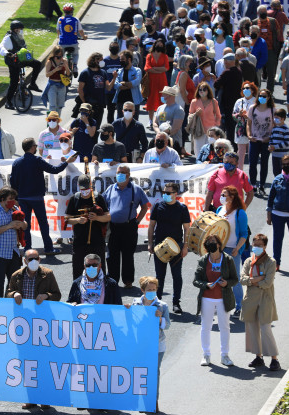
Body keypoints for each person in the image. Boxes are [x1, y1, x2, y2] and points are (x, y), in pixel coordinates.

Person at [6, 249, 61, 410]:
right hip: (23, 325)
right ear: (24, 261)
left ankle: (44, 398)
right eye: (30, 258)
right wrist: (14, 293)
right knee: (27, 362)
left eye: (36, 258)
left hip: (42, 326)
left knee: (43, 362)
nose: (33, 261)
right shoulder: (17, 275)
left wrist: (46, 296)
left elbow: (57, 295)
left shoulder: (48, 274)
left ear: (40, 259)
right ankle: (31, 398)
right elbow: (7, 293)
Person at [11, 138, 77, 255]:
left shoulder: (16, 162)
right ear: (32, 147)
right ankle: (48, 248)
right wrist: (67, 161)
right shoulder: (37, 160)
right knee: (43, 224)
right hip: (36, 198)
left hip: (22, 199)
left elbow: (13, 182)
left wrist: (16, 198)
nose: (36, 148)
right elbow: (55, 170)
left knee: (25, 224)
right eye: (35, 146)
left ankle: (28, 250)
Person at [193, 234, 238, 367]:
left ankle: (225, 355)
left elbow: (235, 279)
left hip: (223, 299)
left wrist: (226, 283)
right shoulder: (203, 260)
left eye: (213, 241)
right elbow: (196, 281)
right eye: (209, 242)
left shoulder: (228, 259)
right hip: (207, 298)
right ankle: (206, 355)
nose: (211, 244)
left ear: (219, 244)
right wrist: (206, 285)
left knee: (224, 327)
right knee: (205, 327)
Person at [103, 164, 150, 288]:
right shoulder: (111, 188)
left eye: (122, 172)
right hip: (113, 227)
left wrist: (138, 220)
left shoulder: (136, 189)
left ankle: (128, 281)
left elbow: (145, 206)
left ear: (128, 175)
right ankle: (112, 280)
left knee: (128, 254)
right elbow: (102, 203)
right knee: (112, 254)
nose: (119, 175)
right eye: (118, 172)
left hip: (129, 226)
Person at [240, 233, 281, 371]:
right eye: (254, 245)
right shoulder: (248, 261)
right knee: (252, 329)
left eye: (259, 245)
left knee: (265, 328)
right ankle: (259, 357)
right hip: (251, 299)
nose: (256, 247)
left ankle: (274, 359)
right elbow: (242, 279)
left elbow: (267, 283)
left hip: (265, 299)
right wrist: (257, 279)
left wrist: (251, 280)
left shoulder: (271, 262)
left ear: (265, 246)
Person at [148, 182, 191, 314]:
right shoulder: (157, 207)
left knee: (176, 276)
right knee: (159, 276)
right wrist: (150, 243)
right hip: (160, 247)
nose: (165, 195)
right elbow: (151, 226)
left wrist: (185, 247)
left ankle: (176, 302)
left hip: (176, 248)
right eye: (164, 192)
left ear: (175, 194)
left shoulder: (182, 208)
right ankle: (157, 301)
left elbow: (187, 229)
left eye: (168, 193)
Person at [129, 276, 170, 412]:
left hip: (157, 345)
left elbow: (167, 325)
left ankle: (153, 400)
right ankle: (142, 400)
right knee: (140, 372)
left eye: (154, 289)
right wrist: (127, 309)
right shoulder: (136, 303)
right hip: (140, 345)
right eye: (149, 289)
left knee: (153, 373)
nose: (152, 291)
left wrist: (160, 320)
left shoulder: (162, 306)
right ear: (142, 290)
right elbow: (130, 320)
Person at [64, 175, 110, 279]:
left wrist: (97, 217)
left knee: (98, 267)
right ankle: (78, 291)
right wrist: (78, 220)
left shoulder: (98, 198)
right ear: (78, 186)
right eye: (82, 189)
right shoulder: (74, 199)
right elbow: (67, 219)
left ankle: (101, 290)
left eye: (87, 188)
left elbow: (108, 217)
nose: (85, 191)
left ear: (91, 186)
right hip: (79, 240)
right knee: (78, 268)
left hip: (97, 240)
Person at [0, 186, 26, 298]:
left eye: (14, 198)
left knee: (14, 283)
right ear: (2, 199)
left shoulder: (15, 209)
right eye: (10, 199)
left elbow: (25, 225)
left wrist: (21, 224)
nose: (13, 201)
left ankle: (11, 304)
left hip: (13, 252)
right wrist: (9, 226)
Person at [216, 186, 248, 316]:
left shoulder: (240, 213)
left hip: (233, 249)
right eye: (222, 194)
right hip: (219, 249)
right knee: (218, 277)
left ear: (232, 197)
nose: (221, 197)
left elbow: (244, 234)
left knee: (234, 280)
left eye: (224, 195)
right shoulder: (219, 209)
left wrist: (237, 248)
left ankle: (239, 305)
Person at [0, 20, 43, 109]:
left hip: (21, 59)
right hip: (13, 61)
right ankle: (8, 102)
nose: (20, 31)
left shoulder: (19, 36)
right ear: (15, 29)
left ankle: (32, 84)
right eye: (19, 29)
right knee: (14, 82)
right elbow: (1, 47)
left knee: (37, 64)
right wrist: (7, 53)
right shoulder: (8, 37)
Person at [247, 88, 274, 195]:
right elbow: (248, 124)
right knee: (252, 163)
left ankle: (262, 185)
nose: (262, 98)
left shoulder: (272, 110)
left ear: (268, 98)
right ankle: (253, 184)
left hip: (266, 141)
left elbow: (275, 126)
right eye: (260, 96)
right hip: (254, 140)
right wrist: (249, 135)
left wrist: (270, 137)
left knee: (264, 163)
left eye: (264, 96)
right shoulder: (252, 108)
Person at [78, 53, 113, 126]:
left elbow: (108, 87)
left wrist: (114, 78)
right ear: (95, 60)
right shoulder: (85, 73)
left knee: (97, 127)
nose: (102, 62)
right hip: (88, 105)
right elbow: (80, 89)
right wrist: (84, 103)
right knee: (87, 127)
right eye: (101, 60)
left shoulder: (103, 72)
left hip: (100, 104)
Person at [214, 53, 243, 141]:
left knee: (228, 126)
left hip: (227, 103)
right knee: (234, 124)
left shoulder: (227, 72)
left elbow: (216, 84)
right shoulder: (239, 71)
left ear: (227, 62)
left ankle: (231, 144)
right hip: (236, 101)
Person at [188, 81, 222, 155]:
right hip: (198, 130)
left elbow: (218, 115)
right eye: (200, 89)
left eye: (204, 90)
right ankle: (199, 166)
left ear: (208, 91)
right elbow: (190, 116)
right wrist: (196, 113)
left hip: (211, 131)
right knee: (199, 152)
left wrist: (216, 126)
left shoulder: (214, 101)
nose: (202, 91)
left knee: (211, 153)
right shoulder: (194, 102)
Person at [255, 5, 281, 93]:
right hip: (258, 51)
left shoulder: (273, 21)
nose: (264, 13)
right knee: (257, 71)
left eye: (265, 12)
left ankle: (270, 92)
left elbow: (278, 32)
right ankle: (256, 91)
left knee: (271, 72)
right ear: (258, 13)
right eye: (262, 12)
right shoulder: (254, 22)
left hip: (270, 50)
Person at [145, 40, 171, 125]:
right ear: (155, 45)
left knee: (162, 100)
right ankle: (150, 120)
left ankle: (161, 120)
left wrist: (154, 69)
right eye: (158, 44)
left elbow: (166, 68)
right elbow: (147, 68)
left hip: (162, 80)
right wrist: (159, 69)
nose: (159, 45)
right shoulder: (149, 56)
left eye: (161, 44)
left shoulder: (165, 56)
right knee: (151, 99)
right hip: (151, 80)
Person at [232, 81, 257, 167]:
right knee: (241, 153)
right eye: (243, 88)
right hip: (241, 130)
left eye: (247, 88)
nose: (245, 90)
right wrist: (239, 114)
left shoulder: (256, 101)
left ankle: (252, 174)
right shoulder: (239, 101)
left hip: (253, 130)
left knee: (252, 153)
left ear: (252, 90)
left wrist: (249, 117)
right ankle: (239, 173)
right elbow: (233, 115)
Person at [113, 50, 143, 119]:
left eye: (123, 59)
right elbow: (116, 85)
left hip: (134, 100)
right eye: (120, 59)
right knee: (120, 121)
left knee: (134, 122)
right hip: (121, 101)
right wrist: (129, 84)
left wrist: (123, 83)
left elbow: (136, 83)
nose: (121, 61)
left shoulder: (137, 70)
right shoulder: (119, 71)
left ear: (129, 59)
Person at [57, 3, 87, 72]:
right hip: (73, 42)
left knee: (60, 55)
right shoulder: (76, 20)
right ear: (72, 12)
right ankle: (75, 66)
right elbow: (80, 31)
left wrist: (58, 37)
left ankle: (60, 66)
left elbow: (58, 30)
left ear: (64, 12)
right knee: (76, 54)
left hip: (62, 43)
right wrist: (84, 37)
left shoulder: (60, 19)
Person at [44, 46, 71, 116]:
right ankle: (50, 123)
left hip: (62, 85)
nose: (59, 58)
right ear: (54, 55)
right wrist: (55, 70)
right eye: (57, 57)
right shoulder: (49, 62)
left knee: (59, 106)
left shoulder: (64, 61)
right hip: (52, 85)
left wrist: (66, 66)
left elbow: (68, 74)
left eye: (61, 56)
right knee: (52, 106)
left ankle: (56, 123)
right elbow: (47, 74)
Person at [268, 108, 289, 176]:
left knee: (284, 173)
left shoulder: (286, 129)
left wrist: (275, 147)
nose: (275, 119)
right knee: (276, 172)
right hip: (275, 155)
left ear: (283, 118)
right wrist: (270, 146)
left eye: (277, 118)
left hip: (283, 156)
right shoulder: (274, 129)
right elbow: (271, 139)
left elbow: (287, 143)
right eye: (274, 118)